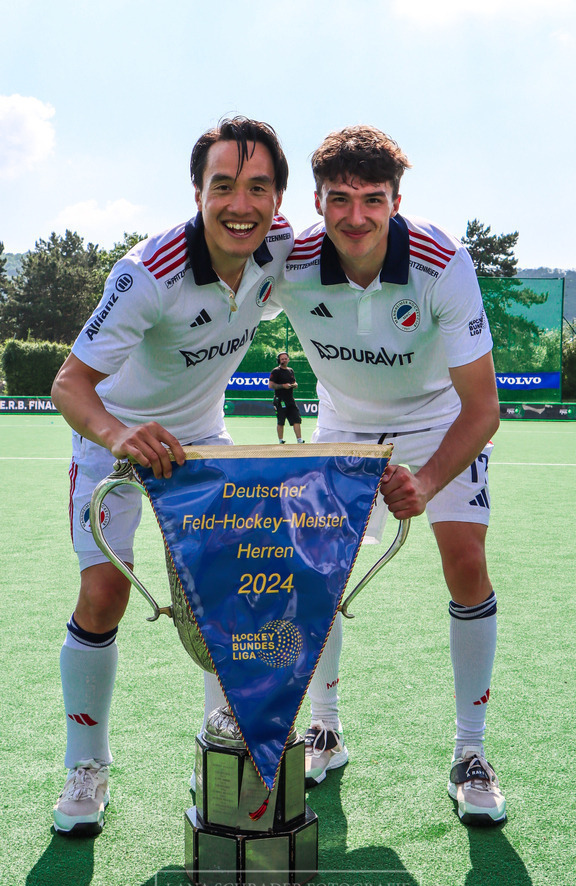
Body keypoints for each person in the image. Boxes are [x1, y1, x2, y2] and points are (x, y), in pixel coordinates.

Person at [50, 116, 292, 836]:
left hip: (202, 437)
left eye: (258, 188)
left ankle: (228, 742)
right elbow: (69, 384)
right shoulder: (145, 273)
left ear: (279, 199)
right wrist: (122, 434)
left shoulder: (282, 251)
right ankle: (85, 766)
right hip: (113, 436)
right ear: (198, 192)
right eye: (223, 187)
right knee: (104, 594)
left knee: (228, 589)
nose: (240, 205)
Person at [273, 125, 505, 825]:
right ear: (316, 200)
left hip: (440, 417)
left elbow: (484, 406)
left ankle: (471, 752)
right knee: (317, 573)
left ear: (397, 200)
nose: (355, 217)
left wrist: (428, 480)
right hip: (344, 422)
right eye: (338, 200)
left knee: (465, 560)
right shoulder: (290, 259)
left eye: (373, 200)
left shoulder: (442, 261)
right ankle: (326, 728)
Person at [268, 350, 304, 442]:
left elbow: (294, 381)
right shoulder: (276, 371)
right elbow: (271, 385)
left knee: (296, 419)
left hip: (290, 400)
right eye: (282, 359)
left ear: (288, 359)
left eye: (285, 359)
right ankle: (281, 440)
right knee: (281, 421)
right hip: (280, 400)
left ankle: (299, 440)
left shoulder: (290, 370)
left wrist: (295, 384)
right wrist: (282, 386)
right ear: (279, 360)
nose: (284, 360)